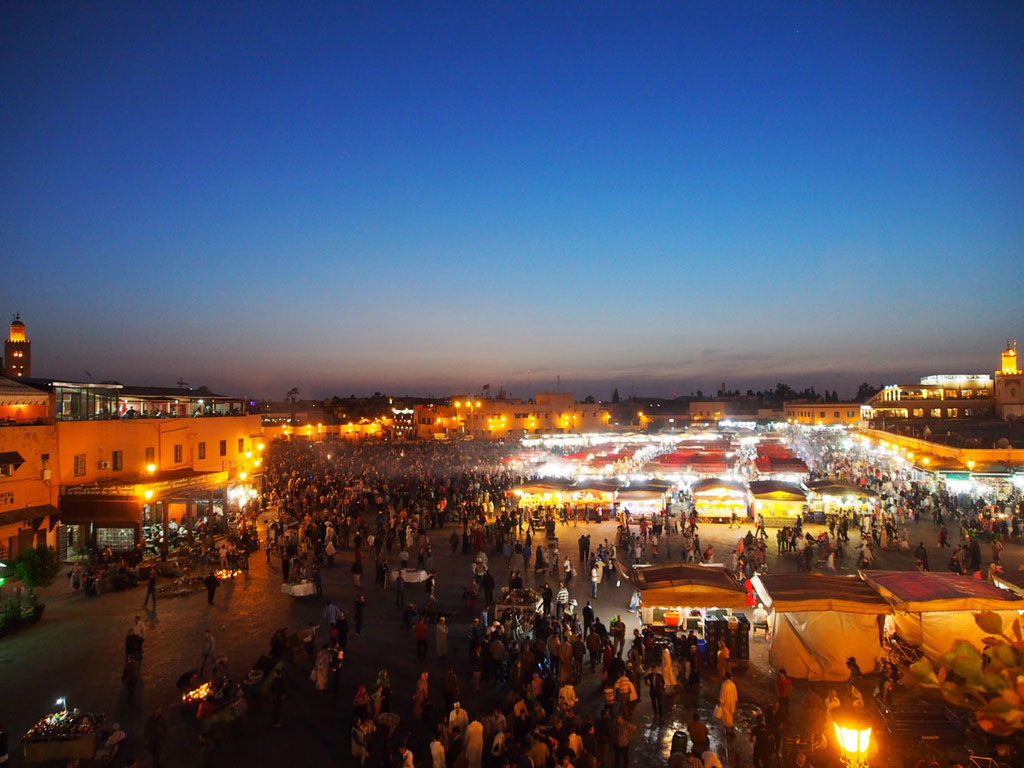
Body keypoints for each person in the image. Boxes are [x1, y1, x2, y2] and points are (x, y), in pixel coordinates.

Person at [717, 672, 738, 738]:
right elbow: (735, 696)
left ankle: (728, 731)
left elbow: (722, 695)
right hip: (732, 703)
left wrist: (720, 702)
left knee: (726, 717)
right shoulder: (733, 685)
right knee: (730, 716)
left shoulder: (724, 685)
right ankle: (731, 730)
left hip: (726, 703)